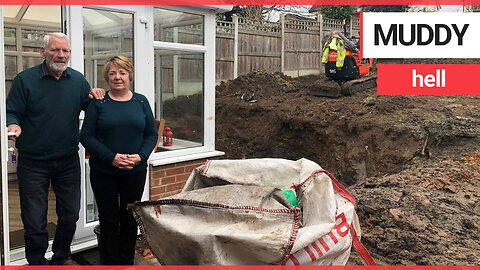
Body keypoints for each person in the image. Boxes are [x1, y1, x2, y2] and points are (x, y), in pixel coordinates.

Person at [6, 32, 105, 265]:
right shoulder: (24, 80)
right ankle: (37, 262)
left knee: (70, 216)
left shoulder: (79, 81)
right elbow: (12, 111)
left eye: (65, 51)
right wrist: (12, 123)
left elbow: (91, 110)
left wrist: (98, 96)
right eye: (55, 50)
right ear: (43, 52)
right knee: (34, 220)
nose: (60, 55)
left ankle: (61, 258)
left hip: (68, 160)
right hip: (33, 162)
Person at [80, 56, 157, 265]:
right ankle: (109, 262)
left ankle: (126, 262)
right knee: (108, 219)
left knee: (130, 218)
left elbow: (152, 134)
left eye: (122, 73)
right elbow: (86, 136)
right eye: (112, 73)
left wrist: (141, 156)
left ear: (130, 75)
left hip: (135, 172)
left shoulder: (141, 101)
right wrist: (112, 158)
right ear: (107, 77)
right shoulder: (98, 102)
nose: (117, 77)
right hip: (104, 172)